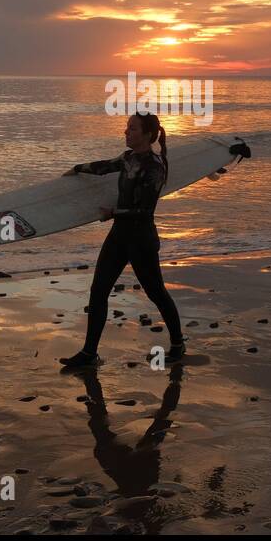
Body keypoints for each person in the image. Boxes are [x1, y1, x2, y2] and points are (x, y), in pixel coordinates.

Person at [58, 112, 185, 369]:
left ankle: (178, 344)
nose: (126, 132)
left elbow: (146, 210)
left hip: (141, 238)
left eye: (132, 129)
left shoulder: (155, 167)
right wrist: (77, 169)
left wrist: (113, 212)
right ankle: (89, 353)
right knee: (99, 291)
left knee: (156, 292)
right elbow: (105, 166)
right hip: (119, 236)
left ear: (148, 135)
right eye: (127, 128)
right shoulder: (128, 158)